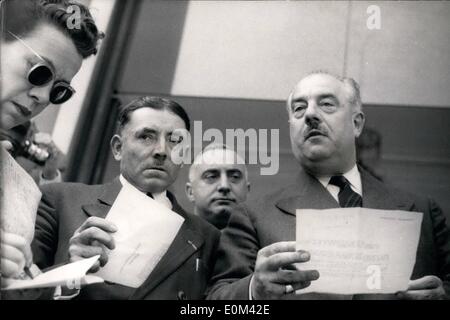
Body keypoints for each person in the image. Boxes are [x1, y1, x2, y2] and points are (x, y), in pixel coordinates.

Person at [207, 71, 450, 300]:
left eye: (326, 104)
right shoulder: (253, 216)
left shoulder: (423, 211)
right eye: (299, 108)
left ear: (356, 124)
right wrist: (254, 290)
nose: (310, 114)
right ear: (291, 128)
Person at [30, 96, 221, 299]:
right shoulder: (59, 201)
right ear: (118, 148)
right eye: (146, 137)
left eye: (175, 141)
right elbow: (15, 289)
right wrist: (70, 275)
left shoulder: (207, 236)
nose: (161, 151)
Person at [0, 0, 102, 281]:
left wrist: (66, 269)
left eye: (59, 90)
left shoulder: (22, 190)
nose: (43, 97)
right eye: (39, 71)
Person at [186, 143, 250, 230]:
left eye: (235, 177)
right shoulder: (170, 240)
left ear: (247, 190)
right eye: (211, 177)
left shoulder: (268, 242)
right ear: (190, 192)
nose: (224, 186)